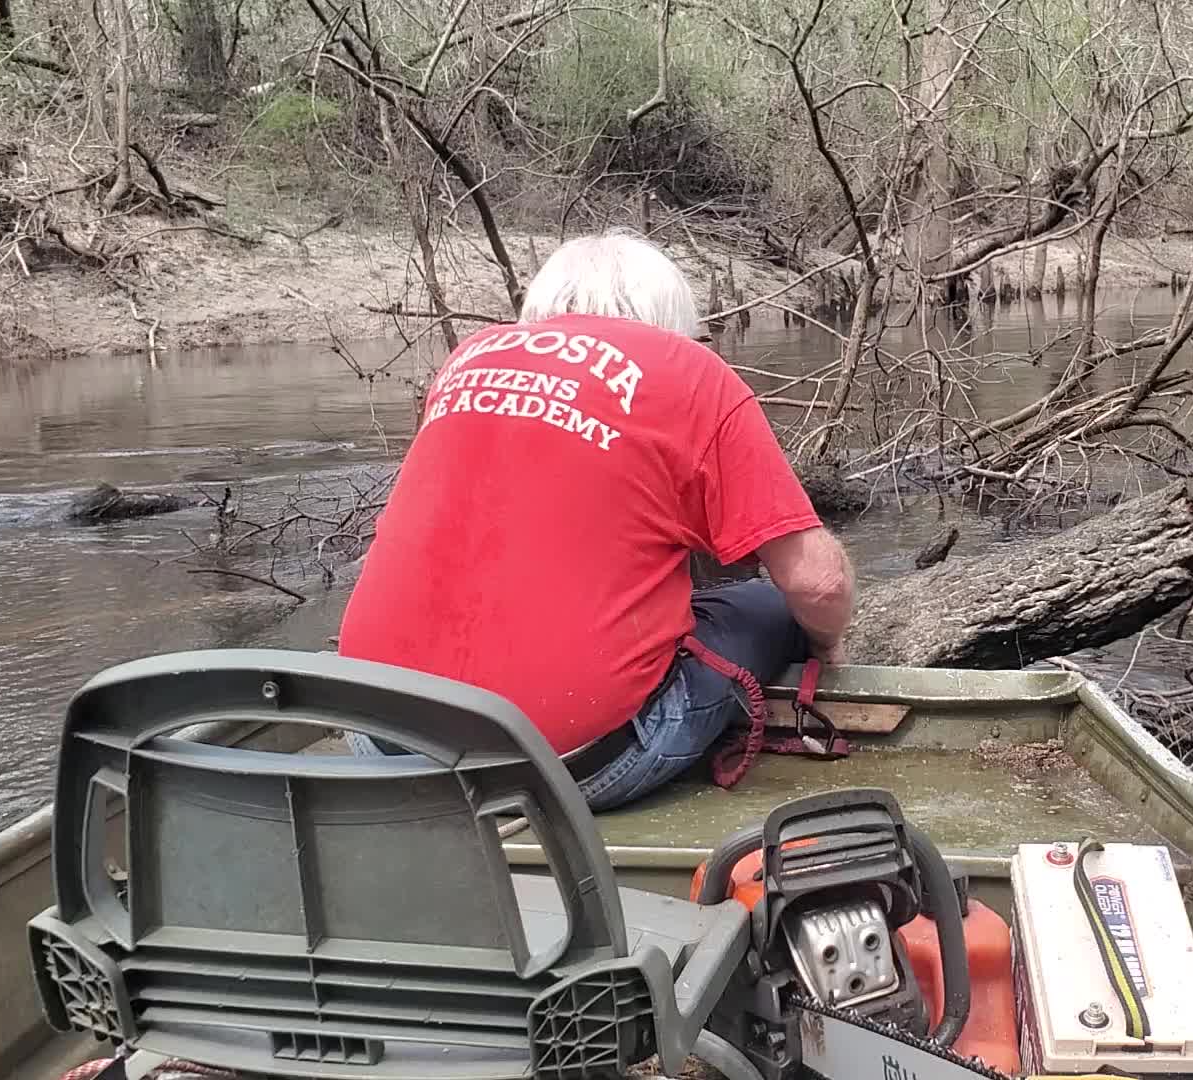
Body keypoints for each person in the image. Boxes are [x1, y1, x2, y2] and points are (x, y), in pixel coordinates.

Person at [335, 229, 854, 810]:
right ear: (671, 315)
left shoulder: (467, 359)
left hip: (378, 738)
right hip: (572, 768)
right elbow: (819, 583)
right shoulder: (690, 370)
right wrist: (826, 642)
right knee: (767, 603)